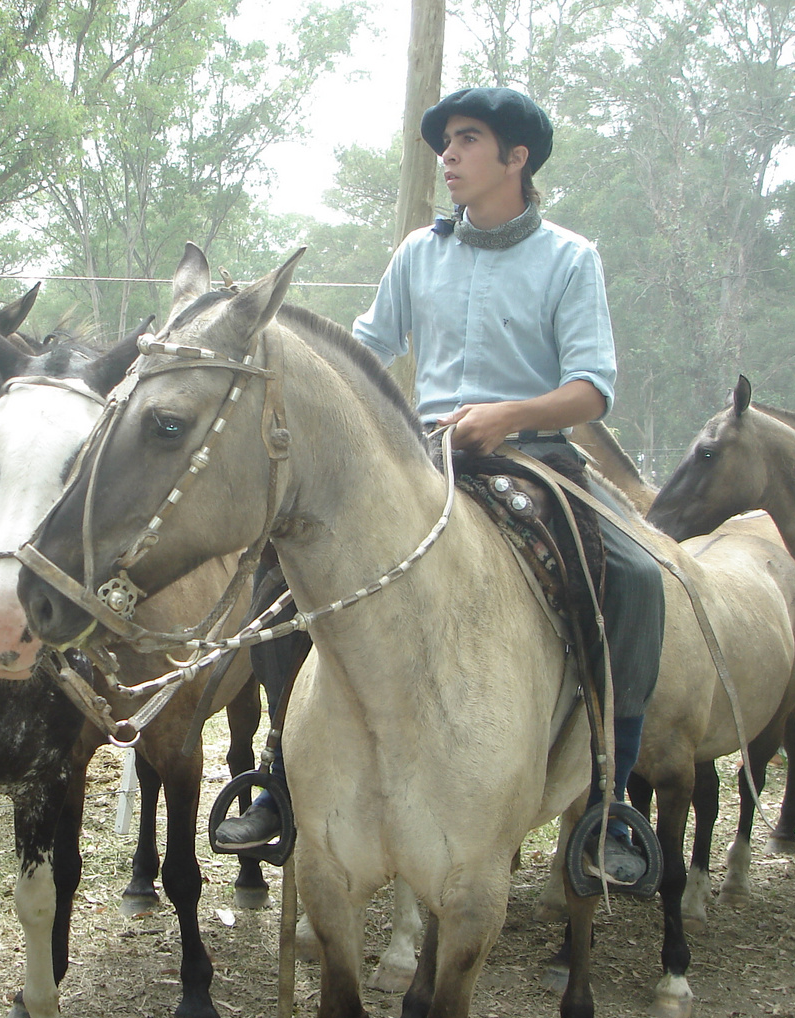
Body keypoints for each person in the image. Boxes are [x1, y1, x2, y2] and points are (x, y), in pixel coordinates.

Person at [216, 86, 664, 886]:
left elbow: (591, 388)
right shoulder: (416, 254)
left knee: (633, 580)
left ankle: (607, 798)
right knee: (279, 577)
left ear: (516, 158)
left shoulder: (570, 258)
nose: (447, 159)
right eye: (443, 145)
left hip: (530, 456)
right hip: (418, 455)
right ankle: (281, 779)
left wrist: (507, 415)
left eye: (464, 141)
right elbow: (367, 352)